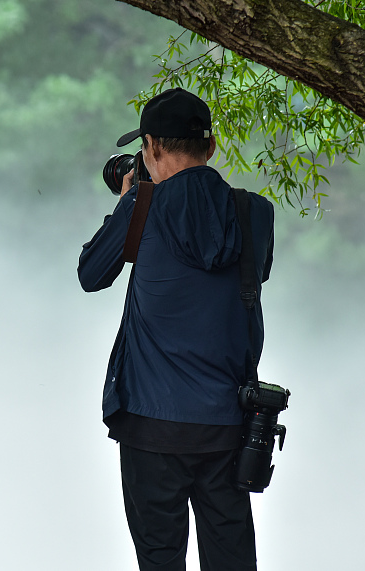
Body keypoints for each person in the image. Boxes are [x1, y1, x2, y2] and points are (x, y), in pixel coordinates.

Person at [78, 88, 275, 571]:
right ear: (211, 147)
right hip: (228, 426)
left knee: (160, 561)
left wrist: (127, 204)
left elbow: (91, 275)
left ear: (151, 147)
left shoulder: (142, 208)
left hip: (151, 426)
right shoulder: (256, 214)